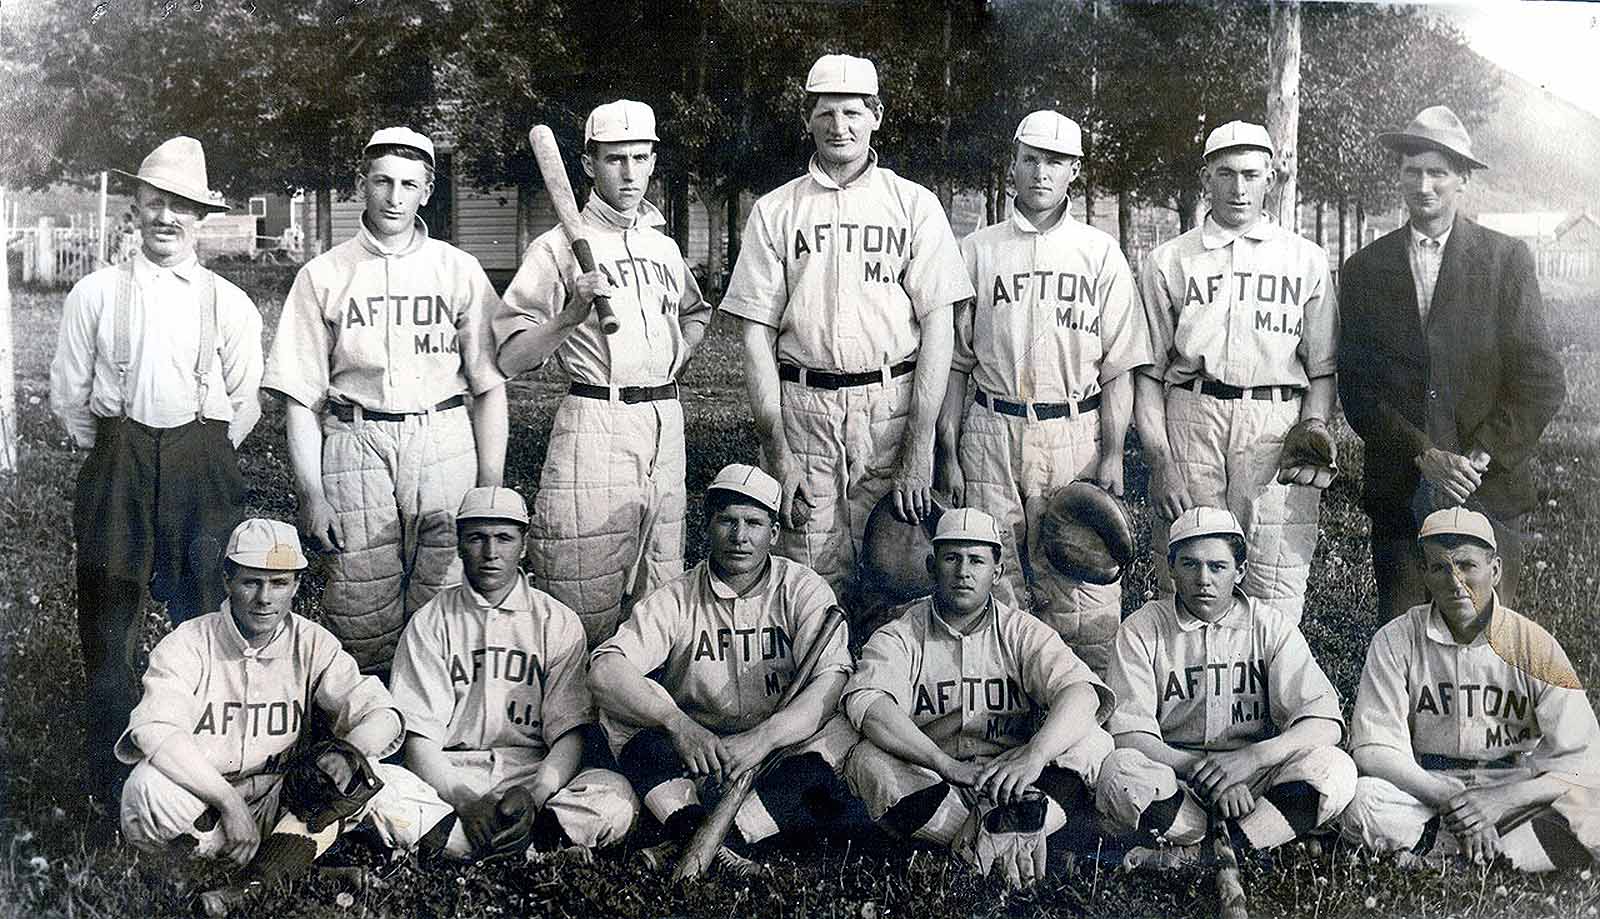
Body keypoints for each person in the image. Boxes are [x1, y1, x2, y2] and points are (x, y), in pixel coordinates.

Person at [721, 53, 975, 613]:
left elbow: (939, 331)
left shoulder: (913, 204)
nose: (840, 126)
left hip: (891, 405)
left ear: (877, 116)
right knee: (808, 578)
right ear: (807, 120)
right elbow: (756, 336)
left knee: (899, 578)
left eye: (854, 112)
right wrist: (777, 449)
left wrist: (919, 447)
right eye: (826, 113)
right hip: (804, 408)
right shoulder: (776, 210)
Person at [49, 136, 263, 803]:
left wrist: (203, 452)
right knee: (110, 612)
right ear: (134, 208)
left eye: (181, 206)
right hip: (120, 461)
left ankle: (209, 766)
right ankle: (113, 776)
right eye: (154, 203)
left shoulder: (227, 301)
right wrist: (117, 446)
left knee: (206, 609)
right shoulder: (95, 293)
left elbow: (246, 399)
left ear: (201, 218)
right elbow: (69, 396)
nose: (166, 217)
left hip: (202, 463)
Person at [262, 127, 509, 674]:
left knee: (448, 595)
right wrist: (311, 493)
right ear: (362, 185)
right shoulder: (324, 274)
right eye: (382, 182)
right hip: (357, 438)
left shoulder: (457, 269)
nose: (394, 197)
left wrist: (489, 485)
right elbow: (300, 397)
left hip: (442, 436)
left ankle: (440, 715)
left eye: (408, 185)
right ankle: (368, 717)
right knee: (360, 600)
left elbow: (489, 384)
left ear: (427, 191)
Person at [935, 109, 1150, 671]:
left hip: (1073, 430)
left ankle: (1087, 705)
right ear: (1013, 163)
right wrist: (948, 449)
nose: (1040, 173)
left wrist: (1112, 454)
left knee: (1081, 592)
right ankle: (1004, 706)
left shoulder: (1099, 252)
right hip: (992, 427)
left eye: (1055, 161)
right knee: (995, 581)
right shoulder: (977, 249)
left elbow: (1119, 367)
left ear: (1074, 170)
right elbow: (957, 364)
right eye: (1030, 159)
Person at [495, 100, 711, 647]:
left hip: (665, 422)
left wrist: (674, 358)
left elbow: (696, 311)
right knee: (581, 587)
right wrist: (570, 315)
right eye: (615, 159)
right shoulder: (556, 248)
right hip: (596, 418)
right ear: (589, 164)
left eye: (640, 157)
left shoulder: (662, 246)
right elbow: (511, 357)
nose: (630, 172)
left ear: (653, 160)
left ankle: (637, 696)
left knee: (660, 587)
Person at [116, 519, 452, 871]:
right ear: (227, 580)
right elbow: (155, 731)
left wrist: (346, 752)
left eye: (278, 583)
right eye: (251, 582)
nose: (264, 598)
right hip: (206, 796)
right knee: (146, 788)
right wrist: (229, 802)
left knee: (384, 782)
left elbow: (381, 712)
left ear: (296, 585)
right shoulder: (190, 642)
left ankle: (258, 860)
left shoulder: (311, 642)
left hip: (287, 798)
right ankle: (291, 859)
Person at [1338, 105, 1565, 622]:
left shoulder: (1505, 261)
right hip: (1402, 497)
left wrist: (1478, 457)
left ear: (1463, 179)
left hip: (1488, 491)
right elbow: (1358, 388)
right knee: (1404, 641)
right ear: (1399, 176)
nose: (1424, 185)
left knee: (1485, 644)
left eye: (1438, 172)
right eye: (1412, 171)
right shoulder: (1364, 269)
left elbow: (1541, 379)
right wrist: (1424, 454)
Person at [588, 464, 859, 875]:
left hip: (778, 748)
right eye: (727, 520)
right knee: (620, 712)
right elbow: (606, 668)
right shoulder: (678, 596)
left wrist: (765, 738)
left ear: (774, 532)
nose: (739, 536)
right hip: (698, 753)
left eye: (754, 523)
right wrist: (677, 724)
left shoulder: (802, 588)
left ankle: (711, 838)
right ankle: (700, 829)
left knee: (841, 729)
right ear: (708, 526)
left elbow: (831, 680)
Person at [840, 508, 1114, 887]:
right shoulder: (901, 633)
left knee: (1094, 741)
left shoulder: (1020, 630)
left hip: (1014, 779)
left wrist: (1035, 756)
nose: (963, 572)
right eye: (952, 558)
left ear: (996, 572)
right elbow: (870, 705)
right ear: (931, 566)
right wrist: (942, 763)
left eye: (976, 560)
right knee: (867, 761)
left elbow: (1081, 692)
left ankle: (981, 842)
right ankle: (1013, 835)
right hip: (935, 779)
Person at [1133, 121, 1338, 623]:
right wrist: (1161, 461)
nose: (1238, 188)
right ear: (1206, 179)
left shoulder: (1306, 259)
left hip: (1275, 425)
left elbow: (1322, 370)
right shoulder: (1169, 260)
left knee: (1275, 577)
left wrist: (1313, 426)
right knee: (1190, 568)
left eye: (1250, 174)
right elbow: (1148, 374)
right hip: (1192, 415)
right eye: (1225, 174)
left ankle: (1268, 673)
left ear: (1272, 177)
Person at [1340, 508, 1600, 871]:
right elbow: (1373, 749)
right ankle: (1501, 857)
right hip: (1428, 789)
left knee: (1593, 806)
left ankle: (1441, 855)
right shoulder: (1396, 639)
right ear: (1424, 573)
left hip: (1512, 787)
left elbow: (1584, 759)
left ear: (1495, 570)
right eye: (1439, 568)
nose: (1454, 581)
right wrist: (1447, 797)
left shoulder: (1534, 645)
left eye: (1467, 565)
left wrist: (1501, 799)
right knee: (1361, 800)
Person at [1096, 507, 1355, 866]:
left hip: (1257, 779)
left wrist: (1252, 759)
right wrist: (1207, 772)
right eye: (1190, 564)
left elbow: (1324, 723)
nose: (1203, 579)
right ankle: (1260, 837)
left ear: (1240, 571)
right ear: (1171, 568)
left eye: (1217, 566)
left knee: (1335, 768)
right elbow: (1129, 735)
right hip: (1178, 776)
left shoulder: (1269, 625)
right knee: (1120, 772)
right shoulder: (1142, 629)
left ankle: (1196, 856)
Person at [389, 486, 638, 860]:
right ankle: (538, 844)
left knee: (615, 795)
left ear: (523, 544)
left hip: (533, 772)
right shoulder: (431, 621)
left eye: (504, 538)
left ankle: (468, 842)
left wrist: (537, 795)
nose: (490, 552)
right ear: (459, 544)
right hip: (453, 773)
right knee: (384, 788)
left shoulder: (557, 621)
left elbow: (570, 731)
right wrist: (462, 799)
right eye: (477, 538)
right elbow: (418, 736)